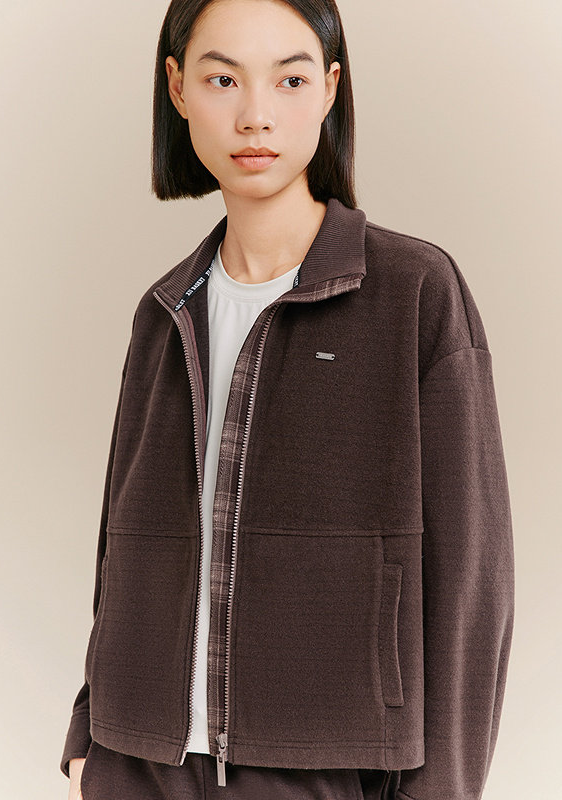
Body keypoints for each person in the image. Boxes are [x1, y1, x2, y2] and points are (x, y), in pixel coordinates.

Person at [61, 0, 515, 798]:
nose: (255, 115)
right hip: (135, 764)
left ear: (331, 88)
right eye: (222, 79)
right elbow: (120, 545)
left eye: (290, 79)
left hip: (326, 770)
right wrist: (86, 738)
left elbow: (473, 586)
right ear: (177, 88)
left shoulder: (414, 292)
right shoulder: (164, 311)